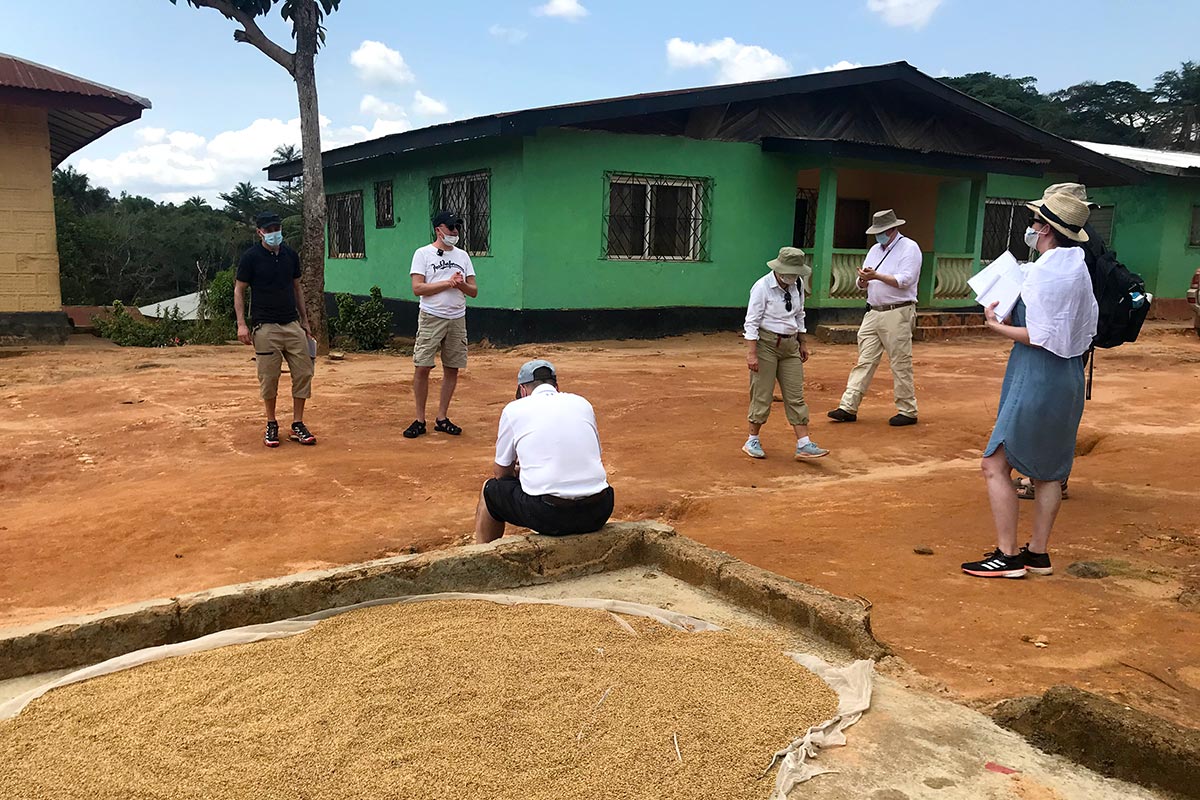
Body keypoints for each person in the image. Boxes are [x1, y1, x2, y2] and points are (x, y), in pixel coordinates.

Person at [961, 192, 1098, 579]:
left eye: (1036, 223)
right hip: (1069, 373)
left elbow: (1038, 335)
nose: (1032, 229)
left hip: (1036, 372)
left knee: (993, 463)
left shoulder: (1044, 272)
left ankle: (1007, 555)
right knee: (1049, 472)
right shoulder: (1079, 267)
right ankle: (1037, 553)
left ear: (1048, 230)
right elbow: (1084, 329)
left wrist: (996, 325)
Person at [1013, 183, 1106, 502]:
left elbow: (1051, 320)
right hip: (1071, 341)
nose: (1035, 225)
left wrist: (1001, 326)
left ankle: (1047, 476)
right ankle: (1046, 475)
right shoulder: (1081, 243)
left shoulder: (1075, 249)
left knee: (1045, 412)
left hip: (1058, 346)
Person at [475, 360, 614, 543]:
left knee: (490, 490)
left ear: (523, 390)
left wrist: (521, 471)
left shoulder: (514, 409)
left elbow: (501, 473)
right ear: (556, 386)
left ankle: (483, 554)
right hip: (599, 510)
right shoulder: (582, 403)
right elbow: (590, 455)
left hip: (550, 514)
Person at [827, 209, 923, 427]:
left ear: (891, 229)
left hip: (897, 311)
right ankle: (848, 406)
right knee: (864, 360)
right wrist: (862, 281)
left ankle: (907, 409)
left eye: (881, 232)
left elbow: (905, 280)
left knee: (900, 362)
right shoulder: (875, 249)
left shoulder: (909, 248)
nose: (878, 236)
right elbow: (862, 282)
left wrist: (876, 276)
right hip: (873, 311)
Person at [234, 210, 316, 448]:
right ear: (259, 232)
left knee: (304, 372)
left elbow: (297, 288)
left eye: (276, 229)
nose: (274, 233)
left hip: (291, 323)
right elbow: (239, 290)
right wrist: (241, 324)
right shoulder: (251, 257)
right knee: (269, 377)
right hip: (265, 326)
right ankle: (271, 422)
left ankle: (298, 423)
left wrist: (305, 321)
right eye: (269, 230)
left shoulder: (290, 255)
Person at [742, 247, 829, 460]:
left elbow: (799, 314)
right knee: (762, 393)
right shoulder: (762, 287)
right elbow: (751, 321)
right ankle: (752, 439)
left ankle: (804, 443)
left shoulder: (796, 285)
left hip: (790, 345)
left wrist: (803, 342)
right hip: (767, 344)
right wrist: (751, 353)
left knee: (795, 394)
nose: (792, 276)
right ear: (779, 269)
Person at [404, 210, 478, 439]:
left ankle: (442, 418)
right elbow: (418, 288)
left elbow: (473, 291)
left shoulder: (463, 256)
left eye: (457, 228)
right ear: (439, 230)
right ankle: (419, 419)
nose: (455, 232)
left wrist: (460, 285)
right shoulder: (423, 254)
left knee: (452, 367)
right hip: (431, 316)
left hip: (457, 317)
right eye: (450, 228)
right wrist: (447, 283)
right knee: (423, 366)